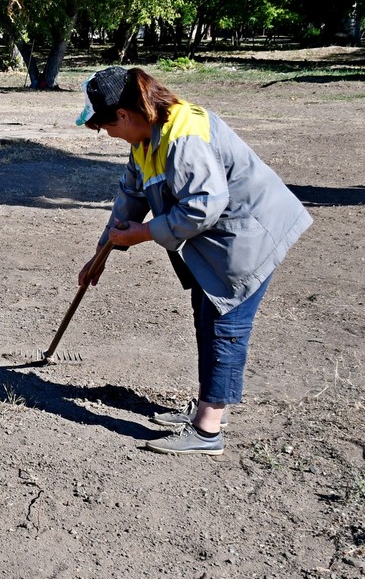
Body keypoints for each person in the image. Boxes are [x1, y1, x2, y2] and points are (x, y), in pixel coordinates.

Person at [77, 66, 312, 456]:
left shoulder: (183, 137)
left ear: (123, 115)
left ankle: (207, 431)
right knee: (206, 316)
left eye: (105, 127)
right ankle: (208, 406)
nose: (107, 134)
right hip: (218, 243)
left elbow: (205, 206)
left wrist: (146, 233)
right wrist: (102, 253)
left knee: (225, 324)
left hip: (247, 237)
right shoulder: (144, 140)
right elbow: (128, 201)